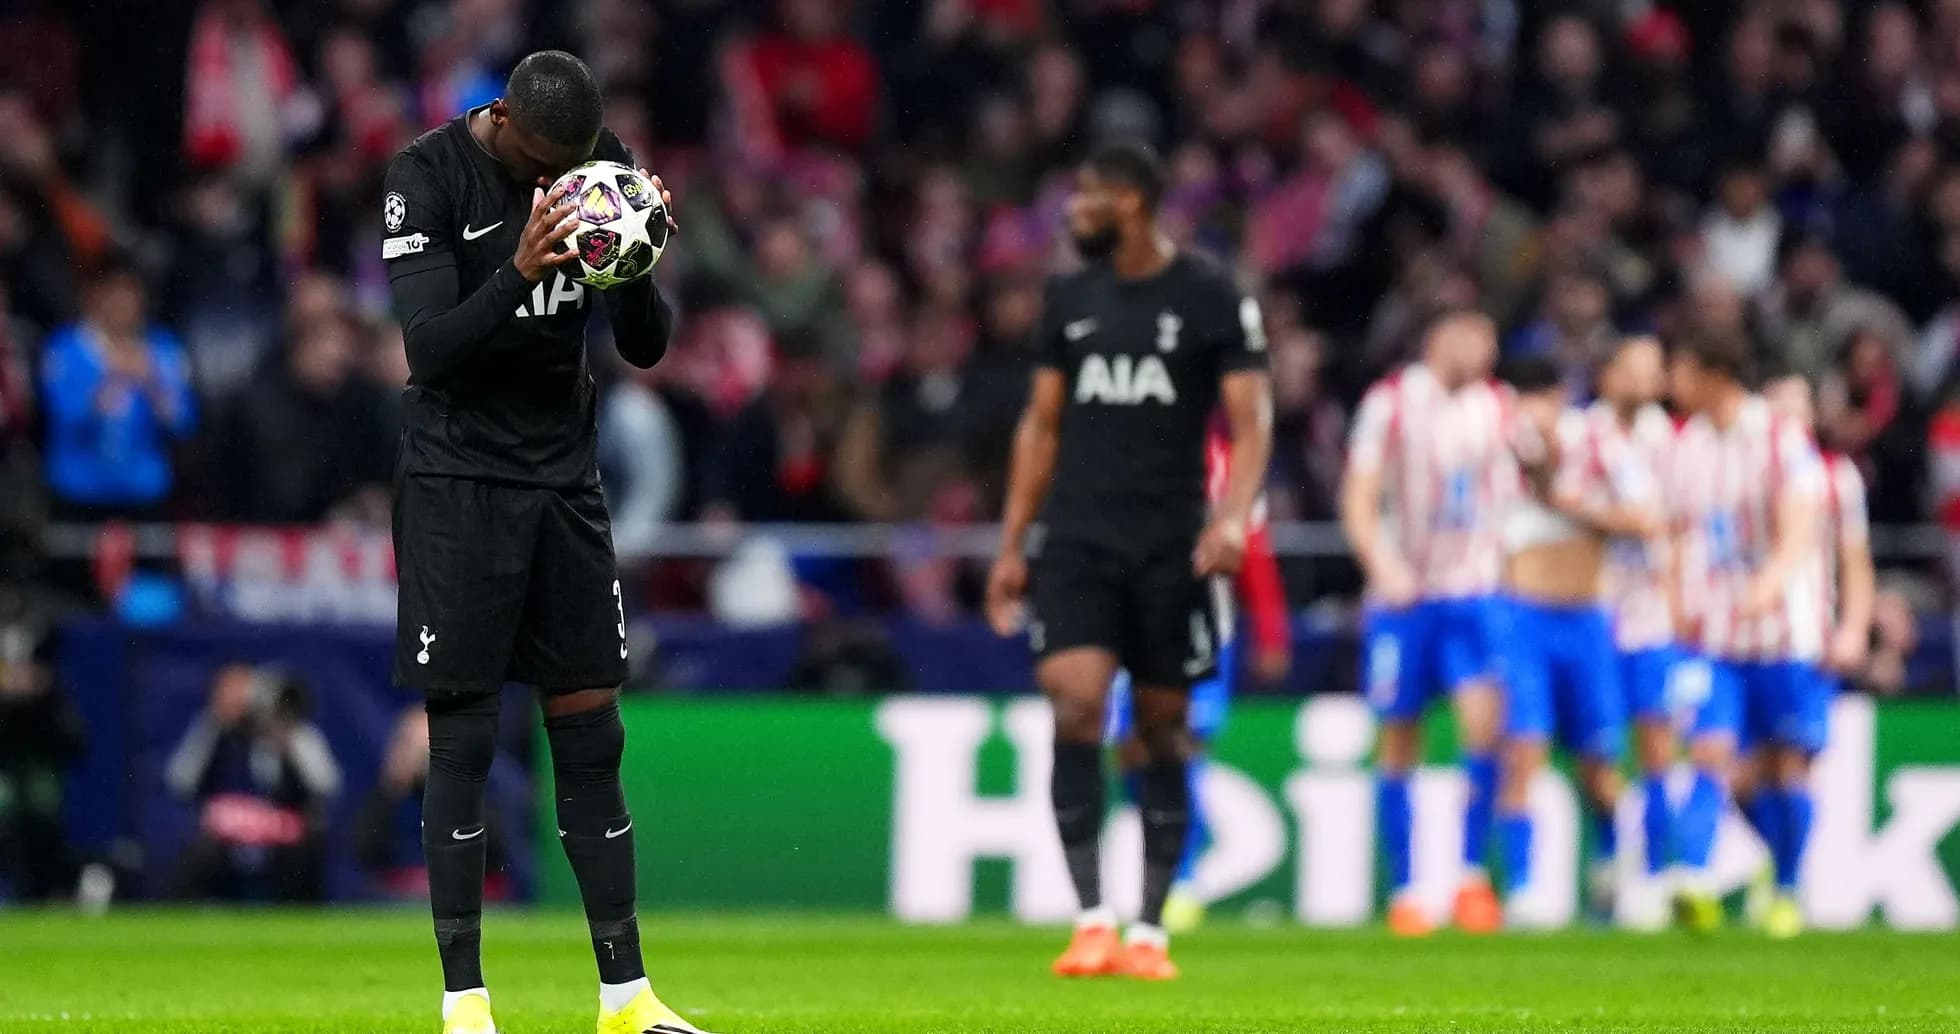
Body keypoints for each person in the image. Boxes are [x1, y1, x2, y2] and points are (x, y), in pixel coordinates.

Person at [379, 50, 704, 1034]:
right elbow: (428, 350)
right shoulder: (425, 175)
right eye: (543, 162)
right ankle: (465, 1003)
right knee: (464, 737)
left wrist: (637, 260)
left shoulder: (599, 164)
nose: (559, 179)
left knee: (593, 731)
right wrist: (520, 269)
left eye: (576, 161)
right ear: (506, 122)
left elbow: (644, 343)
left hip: (564, 480)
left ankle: (626, 997)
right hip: (459, 481)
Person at [986, 141, 1272, 981]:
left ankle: (1149, 929)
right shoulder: (1069, 298)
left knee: (1161, 729)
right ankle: (1091, 920)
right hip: (1078, 538)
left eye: (1087, 198)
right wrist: (1012, 544)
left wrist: (1232, 518)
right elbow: (1041, 426)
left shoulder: (1211, 296)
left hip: (1171, 543)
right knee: (1075, 703)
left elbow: (1252, 421)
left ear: (1132, 203)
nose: (1073, 212)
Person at [1338, 311, 1512, 938]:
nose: (1483, 352)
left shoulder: (1498, 407)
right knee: (1399, 736)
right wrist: (1382, 565)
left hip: (1473, 593)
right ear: (1438, 341)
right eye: (1471, 339)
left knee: (1484, 729)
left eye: (1489, 341)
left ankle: (1469, 877)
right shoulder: (1389, 403)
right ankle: (1408, 889)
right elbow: (1358, 495)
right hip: (1405, 599)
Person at [1662, 329, 1827, 934]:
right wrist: (1676, 598)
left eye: (1682, 369)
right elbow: (1677, 530)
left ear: (1715, 375)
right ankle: (1694, 879)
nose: (1672, 382)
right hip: (1716, 638)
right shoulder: (1688, 444)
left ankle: (1786, 888)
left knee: (1784, 767)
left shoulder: (1779, 437)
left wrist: (1772, 580)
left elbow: (1801, 523)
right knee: (1710, 751)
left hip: (1783, 635)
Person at [1103, 415, 1291, 935]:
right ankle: (1157, 851)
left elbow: (1253, 547)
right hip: (1128, 627)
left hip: (1202, 625)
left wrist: (1270, 629)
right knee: (1130, 750)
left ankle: (1179, 877)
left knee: (1180, 746)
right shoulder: (1118, 454)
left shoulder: (1228, 464)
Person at [1489, 355, 1649, 929]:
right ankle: (1522, 890)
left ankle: (1612, 879)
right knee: (1522, 752)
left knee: (1600, 767)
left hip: (1586, 621)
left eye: (1543, 398)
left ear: (1561, 401)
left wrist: (1574, 508)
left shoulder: (1600, 444)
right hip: (1522, 618)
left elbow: (1645, 518)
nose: (1533, 414)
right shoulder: (1495, 451)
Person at [1752, 370, 1875, 937]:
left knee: (1792, 764)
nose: (1785, 415)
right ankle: (1779, 858)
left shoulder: (1835, 476)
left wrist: (1853, 626)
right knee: (1738, 774)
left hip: (1803, 637)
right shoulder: (1736, 469)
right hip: (1738, 642)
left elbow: (1855, 560)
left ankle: (1786, 888)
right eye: (1775, 403)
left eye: (1796, 404)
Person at [1584, 337, 1683, 925]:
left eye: (1653, 373)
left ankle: (1655, 876)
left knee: (1657, 752)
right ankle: (1608, 866)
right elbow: (1564, 506)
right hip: (1594, 611)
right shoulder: (1582, 435)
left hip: (1652, 616)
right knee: (1596, 758)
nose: (1644, 384)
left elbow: (1679, 520)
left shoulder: (1671, 441)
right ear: (1608, 374)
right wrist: (1620, 519)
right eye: (1634, 372)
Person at [164, 664, 339, 903]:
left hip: (282, 835)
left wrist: (287, 739)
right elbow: (181, 781)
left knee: (305, 852)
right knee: (198, 853)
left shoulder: (298, 733)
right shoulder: (213, 730)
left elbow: (325, 785)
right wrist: (216, 726)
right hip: (226, 835)